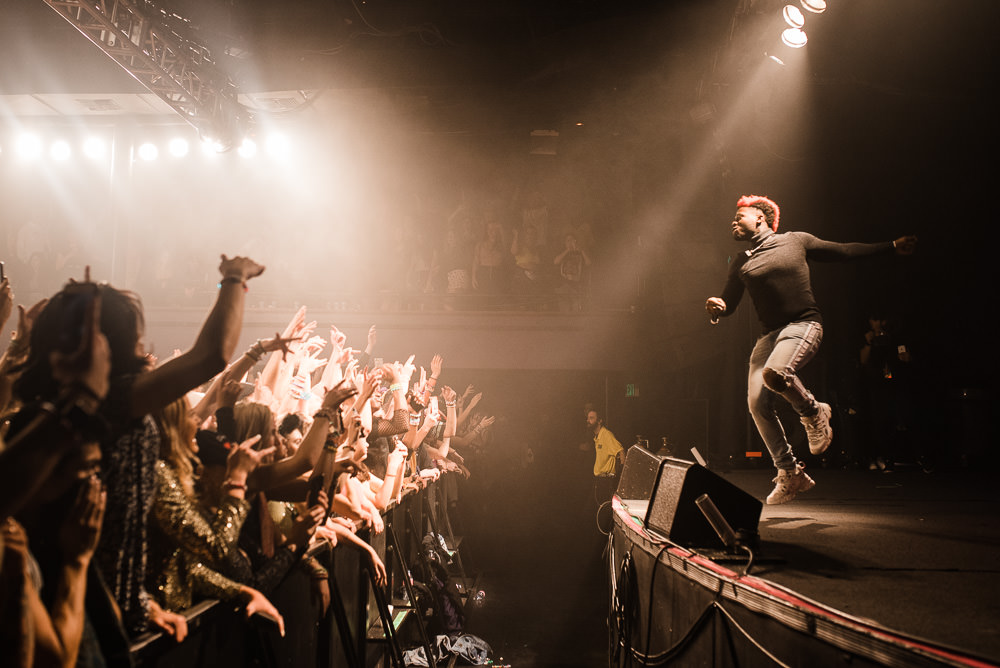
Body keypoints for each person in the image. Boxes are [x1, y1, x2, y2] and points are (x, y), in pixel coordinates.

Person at [705, 195, 917, 504]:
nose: (734, 221)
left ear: (761, 218)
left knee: (776, 373)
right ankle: (790, 473)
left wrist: (891, 246)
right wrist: (718, 307)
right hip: (769, 337)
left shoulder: (795, 241)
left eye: (741, 216)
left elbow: (843, 252)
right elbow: (728, 302)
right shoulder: (742, 261)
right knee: (756, 404)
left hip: (803, 326)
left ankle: (814, 412)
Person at [586, 409, 623, 509]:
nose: (588, 421)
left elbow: (621, 451)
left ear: (600, 420)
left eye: (591, 418)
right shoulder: (597, 437)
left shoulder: (606, 435)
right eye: (588, 418)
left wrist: (621, 476)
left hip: (606, 481)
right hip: (599, 480)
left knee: (599, 510)